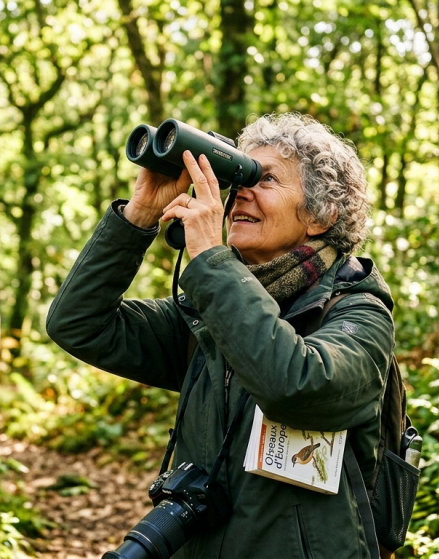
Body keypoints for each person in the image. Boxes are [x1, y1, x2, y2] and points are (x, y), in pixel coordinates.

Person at [46, 113, 395, 559]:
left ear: (321, 215)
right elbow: (78, 323)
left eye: (265, 179)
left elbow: (298, 385)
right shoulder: (209, 315)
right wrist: (139, 216)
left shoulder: (358, 311)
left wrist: (212, 259)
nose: (239, 193)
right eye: (239, 176)